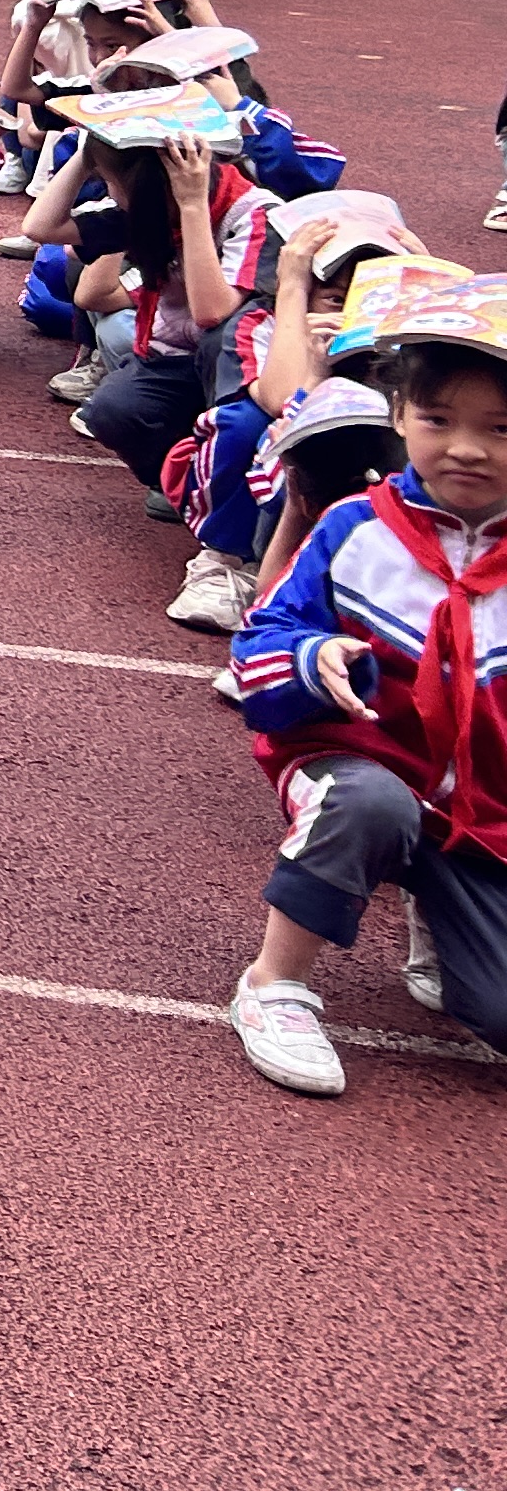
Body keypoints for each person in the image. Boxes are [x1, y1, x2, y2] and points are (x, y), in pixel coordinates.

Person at [225, 325, 507, 1092]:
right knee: (370, 803)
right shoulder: (357, 529)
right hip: (357, 766)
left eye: (500, 429)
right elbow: (260, 642)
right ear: (400, 415)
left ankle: (441, 921)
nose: (467, 449)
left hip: (481, 808)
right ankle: (274, 983)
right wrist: (312, 657)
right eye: (439, 420)